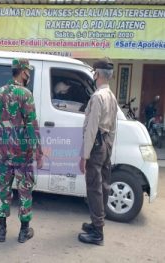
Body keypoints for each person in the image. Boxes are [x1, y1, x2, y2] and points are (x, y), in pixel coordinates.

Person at [0, 58, 43, 243]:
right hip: (23, 154)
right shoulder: (26, 94)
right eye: (27, 71)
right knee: (25, 190)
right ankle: (23, 232)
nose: (28, 74)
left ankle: (2, 230)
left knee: (4, 190)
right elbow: (31, 125)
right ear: (22, 72)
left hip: (5, 153)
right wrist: (38, 152)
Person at [78, 58, 118, 246]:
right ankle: (96, 224)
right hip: (106, 144)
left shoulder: (97, 97)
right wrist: (108, 147)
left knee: (94, 188)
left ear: (97, 74)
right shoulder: (111, 95)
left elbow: (92, 128)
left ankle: (97, 233)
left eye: (94, 72)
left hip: (96, 146)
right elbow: (113, 127)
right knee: (103, 186)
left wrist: (84, 156)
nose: (93, 75)